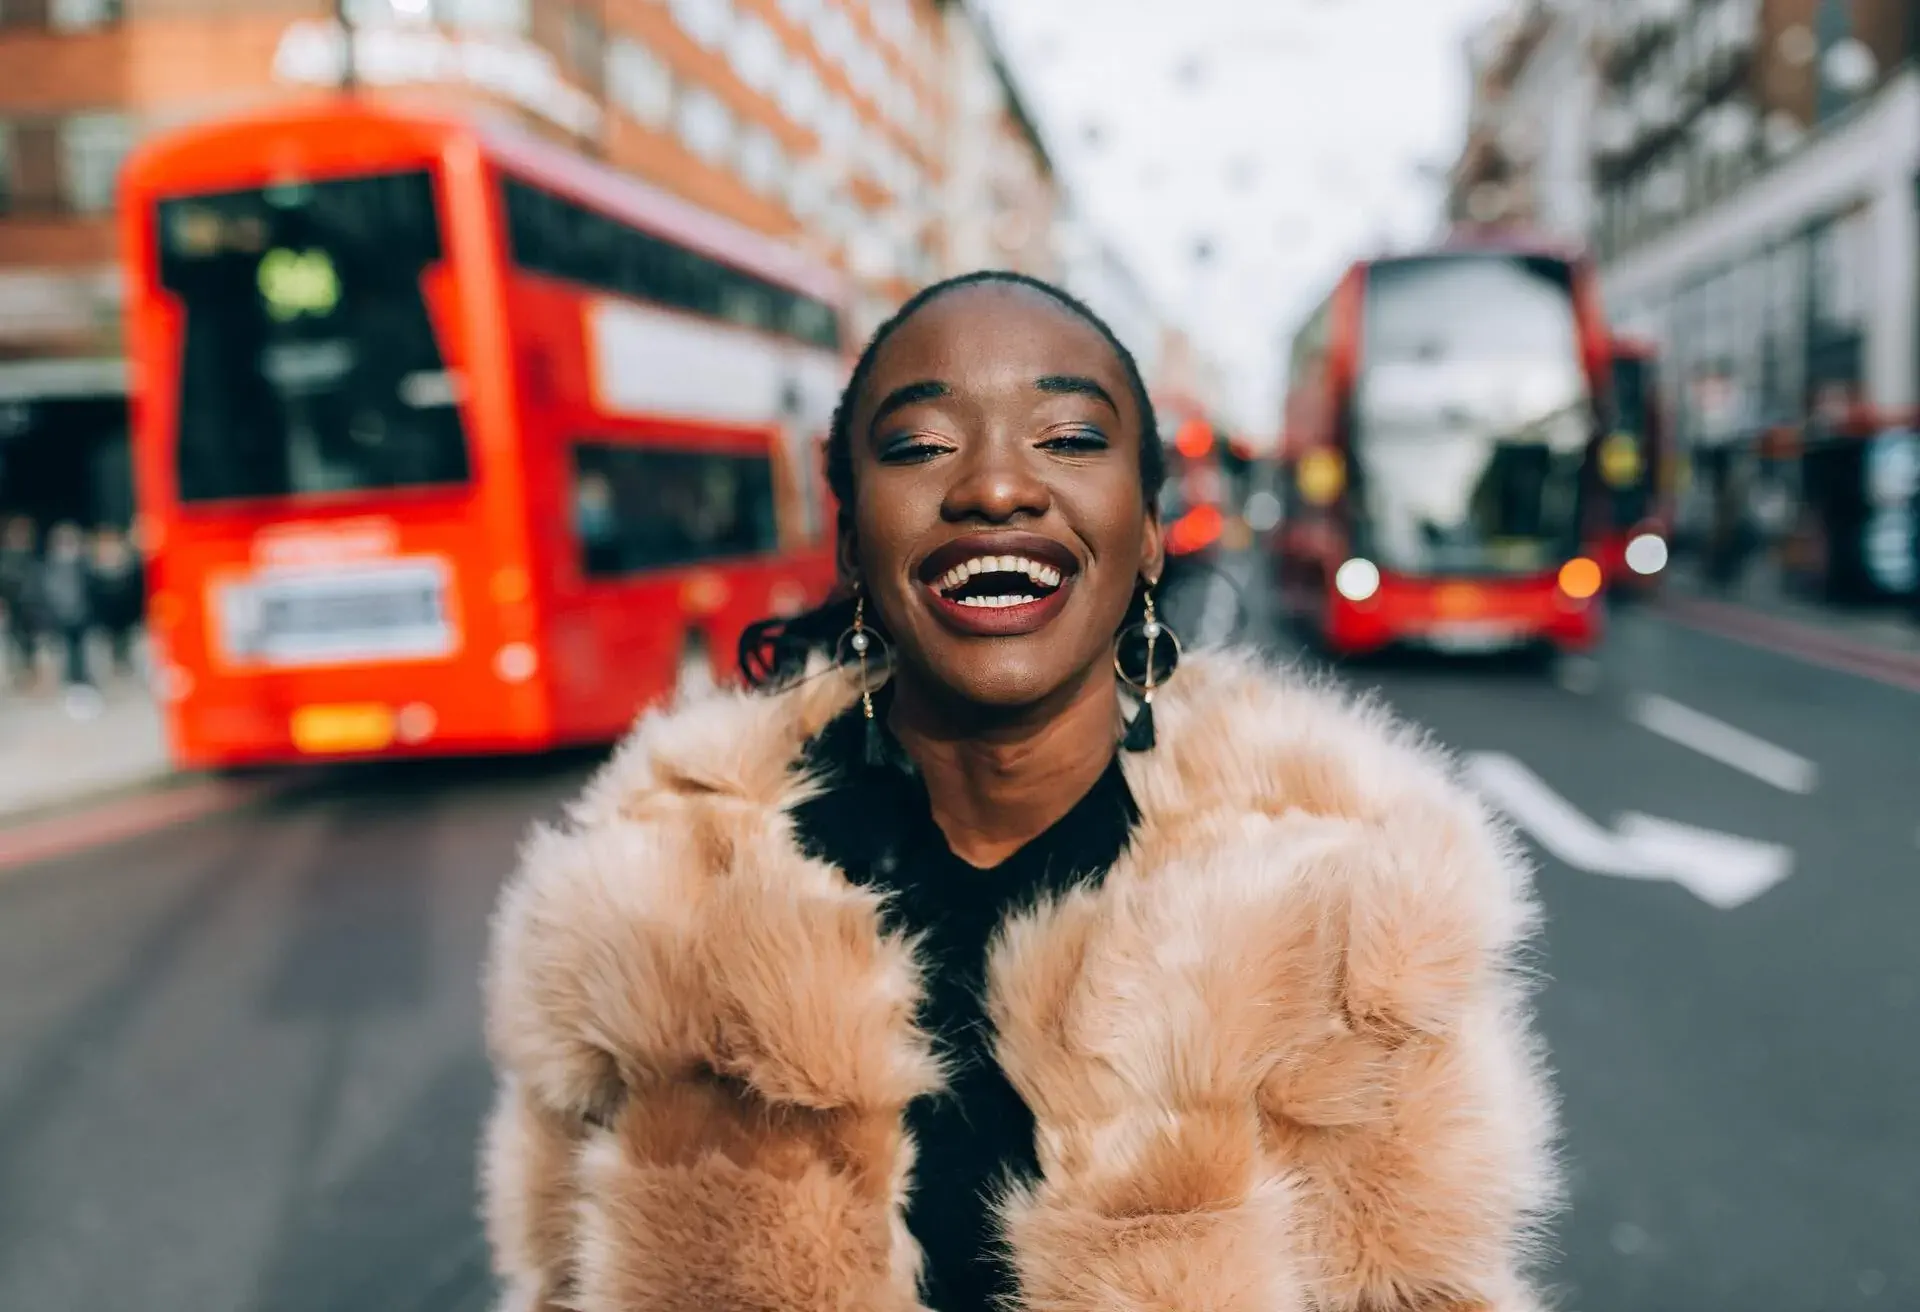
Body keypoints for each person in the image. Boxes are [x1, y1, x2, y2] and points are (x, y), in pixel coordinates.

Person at [479, 272, 1560, 1312]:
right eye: (920, 446)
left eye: (1071, 439)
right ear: (854, 539)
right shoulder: (644, 912)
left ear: (1146, 534)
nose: (996, 484)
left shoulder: (1354, 913)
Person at [88, 525, 145, 678]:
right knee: (108, 648)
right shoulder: (94, 567)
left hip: (127, 615)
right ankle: (113, 673)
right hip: (106, 617)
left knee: (127, 646)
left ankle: (127, 669)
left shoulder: (129, 564)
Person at [0, 516, 42, 687]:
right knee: (13, 641)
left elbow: (37, 579)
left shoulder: (32, 556)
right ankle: (18, 676)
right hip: (12, 606)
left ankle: (30, 675)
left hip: (30, 606)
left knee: (30, 643)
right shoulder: (5, 557)